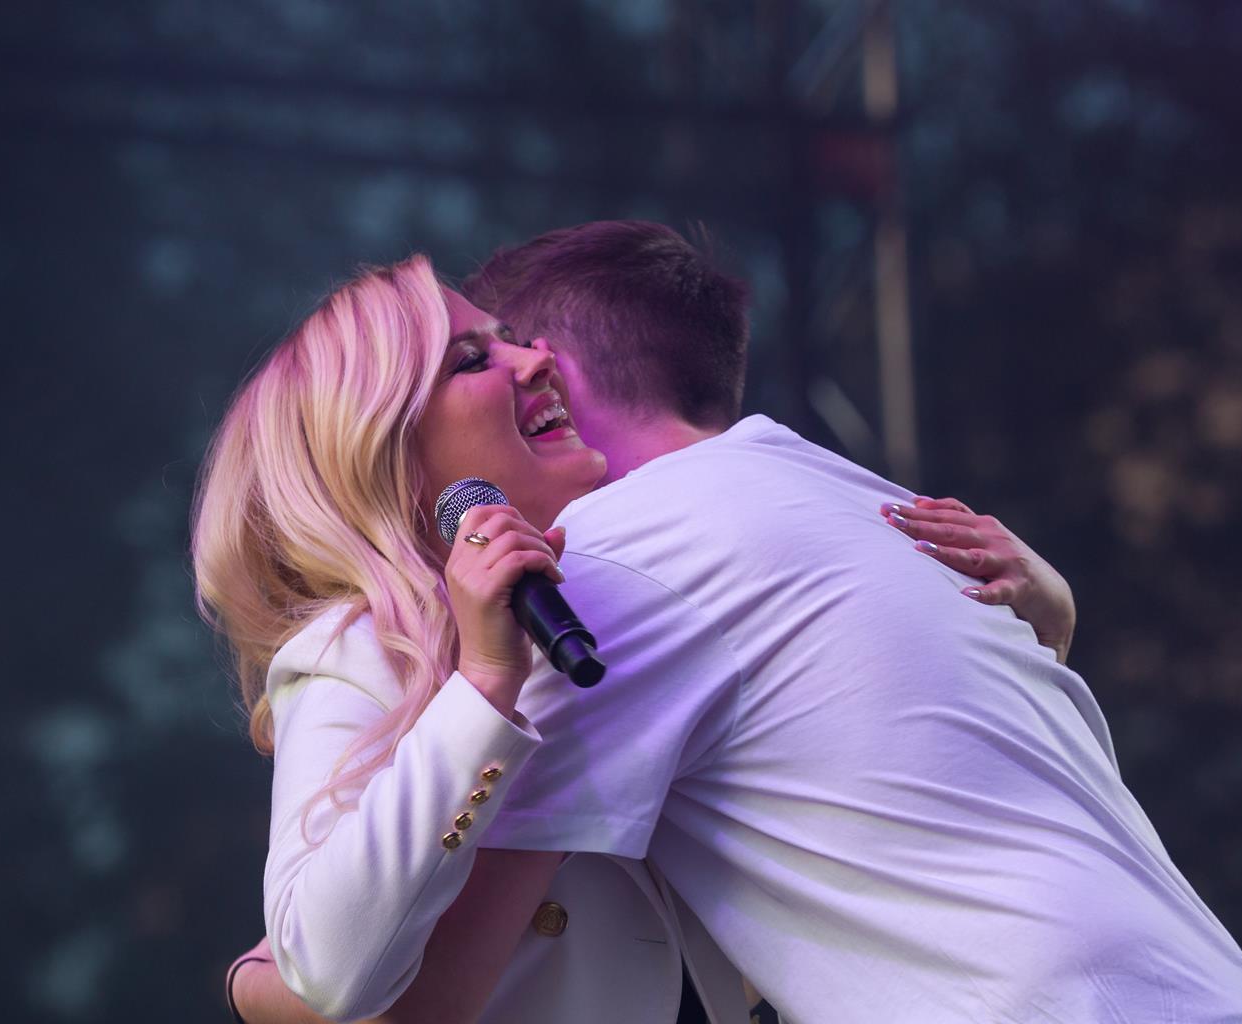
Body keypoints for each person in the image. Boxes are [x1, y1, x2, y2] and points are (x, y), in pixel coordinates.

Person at [374, 221, 1242, 1022]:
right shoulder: (862, 502)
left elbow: (425, 999)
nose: (512, 371)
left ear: (552, 378)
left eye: (498, 353)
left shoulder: (611, 563)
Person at [200, 252, 1077, 1024]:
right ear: (383, 449)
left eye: (515, 339)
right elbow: (327, 968)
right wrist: (484, 687)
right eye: (474, 359)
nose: (536, 359)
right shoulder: (355, 650)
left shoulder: (632, 602)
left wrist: (1031, 628)